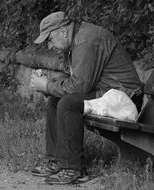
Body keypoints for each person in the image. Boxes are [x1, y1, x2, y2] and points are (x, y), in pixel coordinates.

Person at [30, 11, 143, 185]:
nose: (49, 46)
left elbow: (79, 86)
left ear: (63, 31)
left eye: (49, 40)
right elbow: (73, 79)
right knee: (56, 100)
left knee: (68, 103)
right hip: (107, 93)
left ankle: (74, 169)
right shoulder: (75, 41)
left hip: (124, 99)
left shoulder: (86, 40)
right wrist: (49, 82)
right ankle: (57, 160)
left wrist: (46, 86)